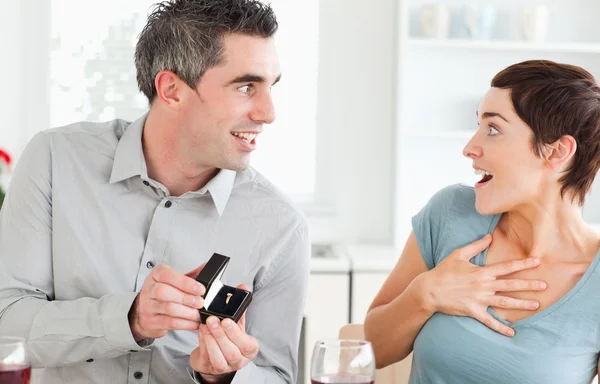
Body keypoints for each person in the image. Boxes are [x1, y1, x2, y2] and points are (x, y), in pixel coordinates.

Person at [0, 1, 310, 383]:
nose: (268, 112)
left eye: (270, 86)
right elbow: (5, 325)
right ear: (172, 90)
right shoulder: (55, 161)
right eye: (246, 86)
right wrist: (129, 319)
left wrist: (224, 376)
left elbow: (279, 376)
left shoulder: (280, 225)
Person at [364, 60, 600, 384]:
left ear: (557, 151)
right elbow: (372, 348)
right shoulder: (450, 214)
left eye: (493, 129)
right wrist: (426, 293)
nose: (469, 148)